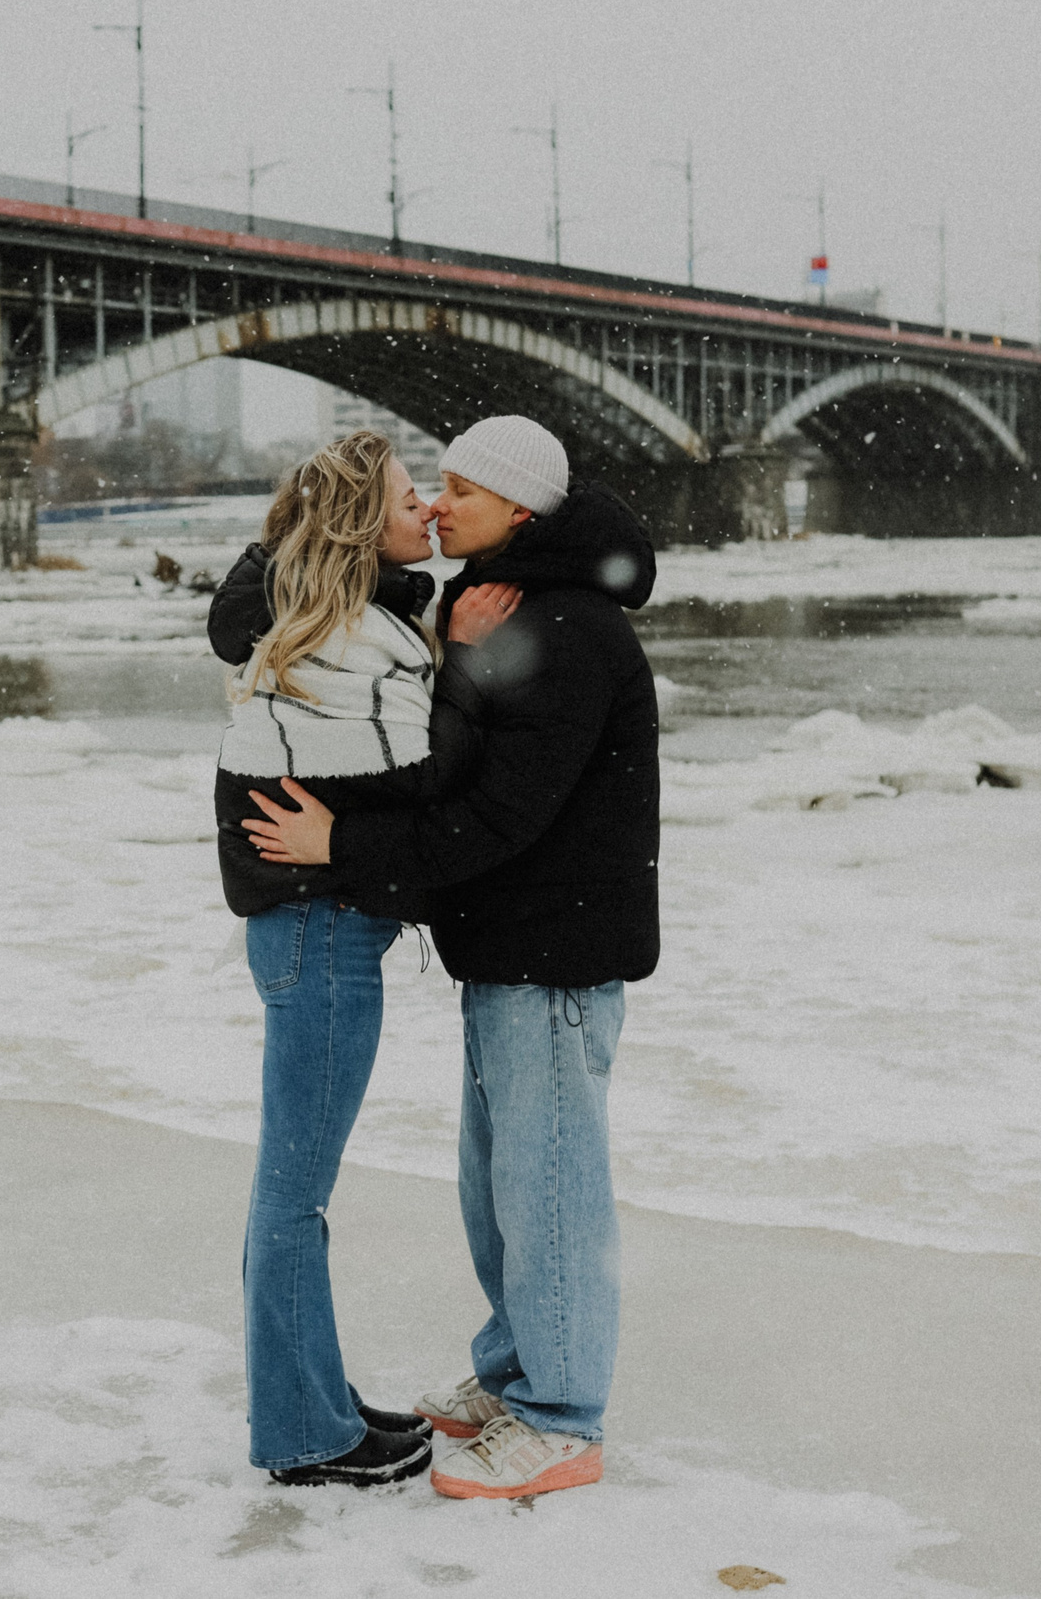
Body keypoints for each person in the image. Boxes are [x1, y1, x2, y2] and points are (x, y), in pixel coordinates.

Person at [242, 413, 659, 1502]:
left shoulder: (565, 625)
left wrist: (344, 844)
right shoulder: (499, 608)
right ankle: (515, 1372)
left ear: (520, 508)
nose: (436, 503)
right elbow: (444, 740)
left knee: (551, 1184)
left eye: (461, 489)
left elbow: (498, 813)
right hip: (509, 945)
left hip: (553, 953)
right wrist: (456, 654)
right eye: (426, 490)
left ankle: (562, 1417)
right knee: (499, 1183)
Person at [209, 429, 520, 1488]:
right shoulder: (344, 645)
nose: (427, 510)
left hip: (312, 927)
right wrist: (468, 664)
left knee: (290, 1190)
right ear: (356, 525)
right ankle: (304, 1436)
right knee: (292, 1195)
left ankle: (313, 1399)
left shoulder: (345, 627)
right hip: (319, 928)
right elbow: (423, 774)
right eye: (404, 500)